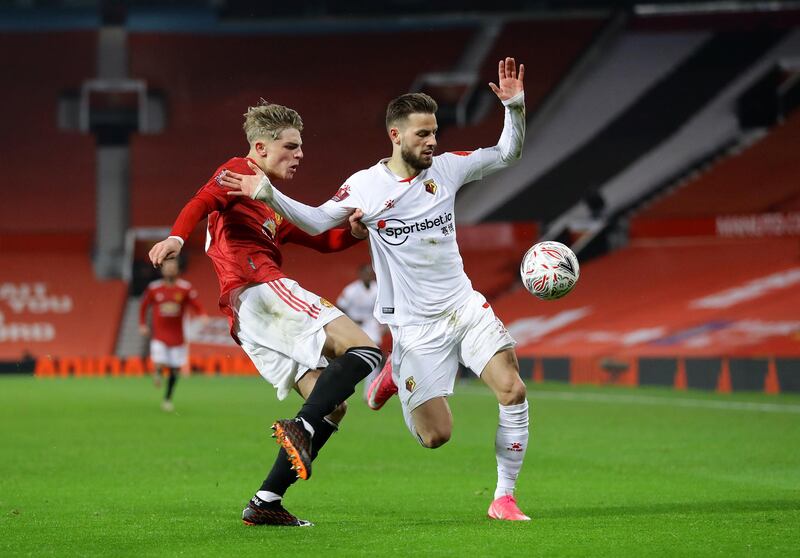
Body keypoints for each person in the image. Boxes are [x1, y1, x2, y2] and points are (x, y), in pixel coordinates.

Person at [220, 58, 531, 521]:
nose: (432, 142)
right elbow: (317, 220)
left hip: (464, 307)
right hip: (413, 326)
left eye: (434, 133)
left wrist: (515, 108)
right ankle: (390, 375)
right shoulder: (366, 186)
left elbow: (508, 154)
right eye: (422, 134)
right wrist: (268, 194)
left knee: (512, 389)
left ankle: (504, 496)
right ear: (396, 135)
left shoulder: (447, 169)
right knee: (436, 436)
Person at [148, 100, 382, 527]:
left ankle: (266, 501)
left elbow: (320, 241)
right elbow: (201, 202)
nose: (300, 155)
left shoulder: (269, 201)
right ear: (260, 147)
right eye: (291, 147)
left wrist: (351, 235)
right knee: (366, 351)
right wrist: (176, 239)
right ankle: (299, 428)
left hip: (248, 317)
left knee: (331, 407)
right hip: (260, 288)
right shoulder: (238, 171)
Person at [139, 258, 207, 411]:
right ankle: (157, 372)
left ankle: (167, 398)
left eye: (173, 266)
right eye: (167, 266)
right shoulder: (154, 288)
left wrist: (202, 314)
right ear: (162, 269)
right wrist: (142, 324)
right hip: (160, 336)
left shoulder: (185, 288)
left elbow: (196, 304)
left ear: (177, 270)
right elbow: (143, 306)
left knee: (175, 369)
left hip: (178, 337)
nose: (170, 269)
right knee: (160, 360)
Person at [336, 264, 386, 397]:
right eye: (365, 273)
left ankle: (370, 392)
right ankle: (342, 387)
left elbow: (383, 309)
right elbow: (340, 306)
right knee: (350, 358)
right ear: (360, 275)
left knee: (375, 356)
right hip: (355, 326)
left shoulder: (378, 289)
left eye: (370, 273)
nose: (368, 276)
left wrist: (384, 325)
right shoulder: (351, 290)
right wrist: (351, 319)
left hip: (371, 325)